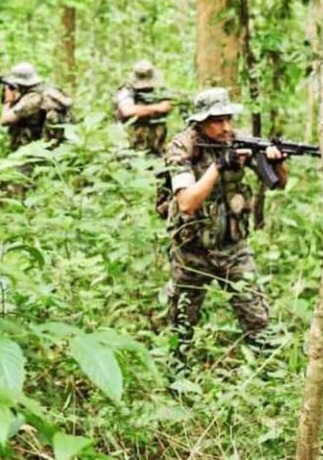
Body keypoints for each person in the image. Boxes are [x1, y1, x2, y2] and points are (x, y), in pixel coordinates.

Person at [164, 87, 287, 366]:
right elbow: (186, 203)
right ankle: (176, 382)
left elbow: (278, 184)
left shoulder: (239, 141)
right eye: (217, 121)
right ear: (200, 122)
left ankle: (271, 375)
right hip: (191, 250)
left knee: (259, 320)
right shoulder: (181, 147)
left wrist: (277, 162)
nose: (225, 127)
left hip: (233, 248)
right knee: (181, 326)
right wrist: (219, 165)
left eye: (228, 118)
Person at [0, 62, 73, 151]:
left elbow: (4, 120)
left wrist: (8, 100)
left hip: (34, 149)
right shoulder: (50, 91)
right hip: (54, 146)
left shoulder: (32, 99)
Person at [115, 59, 172, 156]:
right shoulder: (127, 90)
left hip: (156, 142)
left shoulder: (157, 89)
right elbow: (127, 110)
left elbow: (168, 104)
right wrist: (157, 108)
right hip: (131, 143)